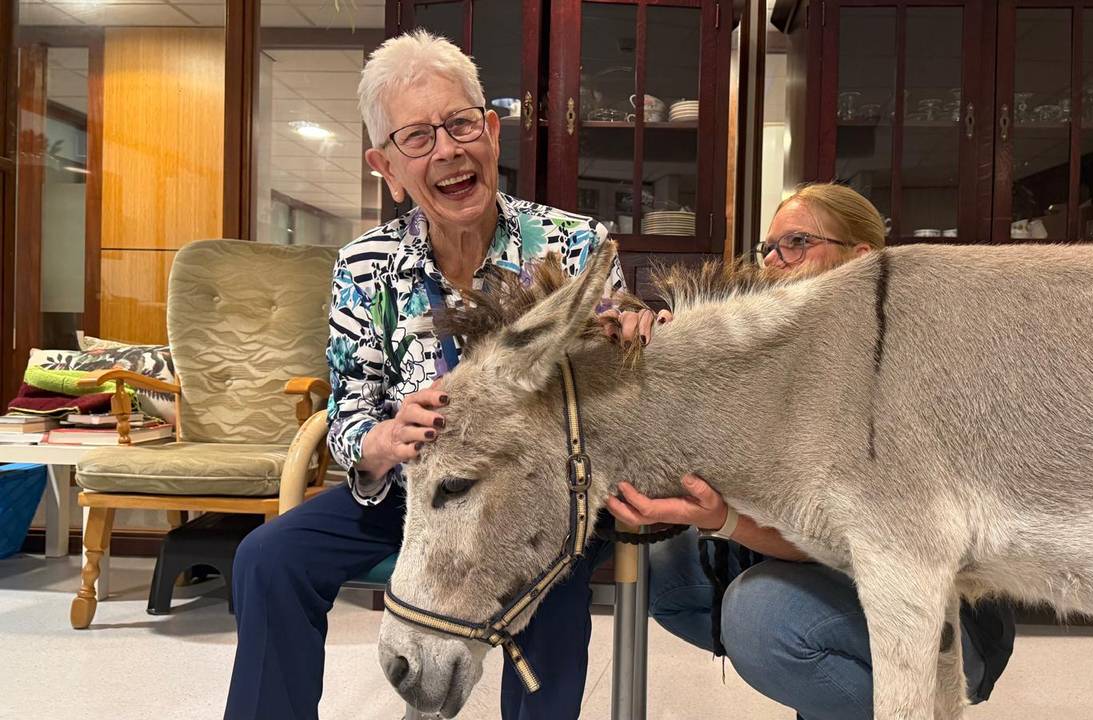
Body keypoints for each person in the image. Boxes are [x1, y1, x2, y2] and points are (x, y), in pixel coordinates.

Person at [224, 30, 629, 720]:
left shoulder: (574, 246)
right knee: (268, 559)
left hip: (536, 501)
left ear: (491, 131)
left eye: (460, 123)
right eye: (417, 138)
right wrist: (380, 441)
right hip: (410, 496)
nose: (447, 150)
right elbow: (349, 410)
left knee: (554, 579)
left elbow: (620, 394)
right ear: (385, 166)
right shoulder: (364, 266)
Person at [606, 183, 1016, 720]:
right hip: (845, 577)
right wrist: (672, 362)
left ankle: (919, 704)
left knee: (760, 614)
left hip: (941, 617)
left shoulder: (899, 369)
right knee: (668, 571)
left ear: (862, 261)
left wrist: (726, 520)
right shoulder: (789, 358)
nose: (774, 263)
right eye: (769, 249)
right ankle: (832, 690)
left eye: (796, 243)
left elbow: (852, 539)